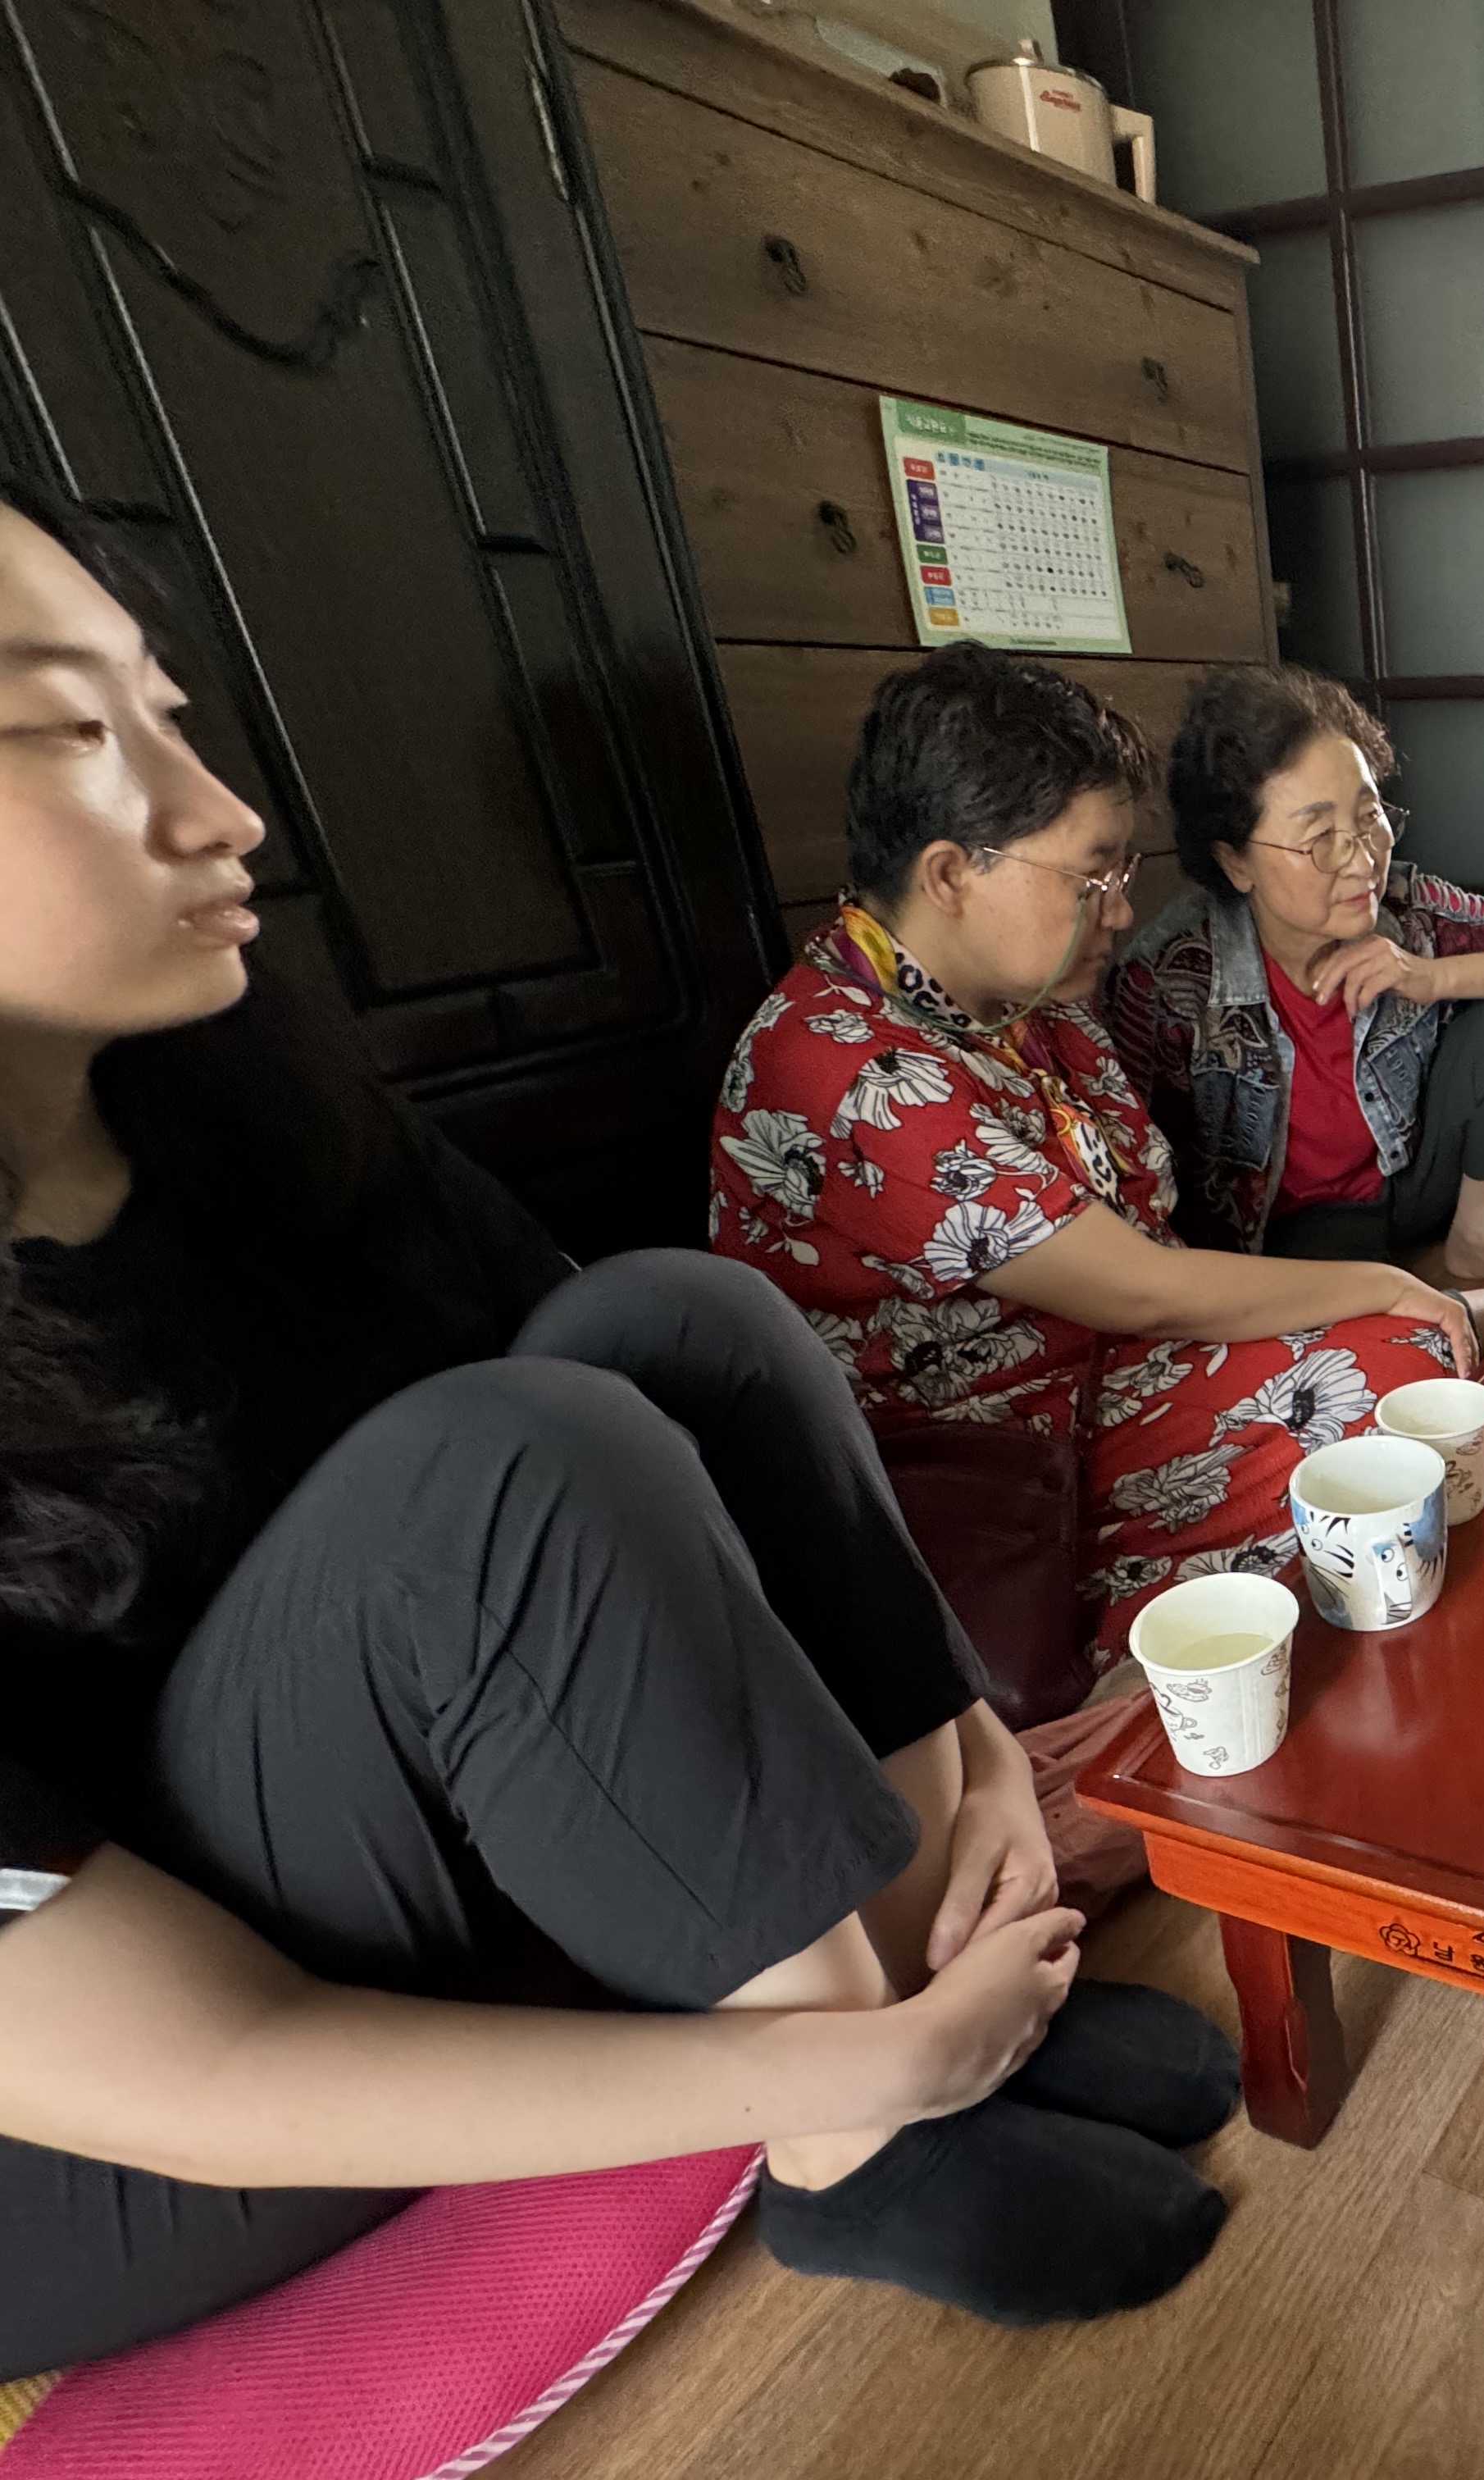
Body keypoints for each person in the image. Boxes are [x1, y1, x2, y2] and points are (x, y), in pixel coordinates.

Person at [0, 486, 1240, 2379]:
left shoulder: (229, 1104)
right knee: (495, 1478)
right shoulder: (854, 1048)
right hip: (113, 2117)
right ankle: (858, 2139)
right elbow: (189, 2064)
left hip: (376, 1847)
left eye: (163, 711)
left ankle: (925, 1960)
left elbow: (630, 1382)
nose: (220, 809)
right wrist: (830, 2069)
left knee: (680, 1319)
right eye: (67, 731)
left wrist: (978, 1754)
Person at [708, 645, 1475, 1656]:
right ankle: (1132, 1674)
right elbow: (1143, 1287)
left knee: (1407, 1382)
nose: (1118, 907)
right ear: (951, 874)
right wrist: (1384, 1284)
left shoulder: (1030, 1006)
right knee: (1385, 1390)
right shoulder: (848, 1071)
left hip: (1099, 1377)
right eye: (1092, 874)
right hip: (986, 1470)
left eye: (1122, 872)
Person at [1108, 663, 1484, 1279]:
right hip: (1295, 1237)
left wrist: (1428, 976)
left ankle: (1477, 1239)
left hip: (1411, 1180)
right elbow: (1138, 1169)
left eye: (1368, 817)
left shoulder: (1404, 908)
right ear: (1235, 862)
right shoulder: (1171, 981)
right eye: (1321, 838)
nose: (1363, 861)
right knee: (1368, 1303)